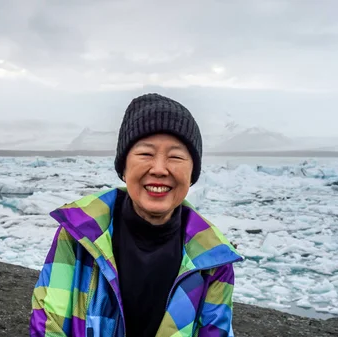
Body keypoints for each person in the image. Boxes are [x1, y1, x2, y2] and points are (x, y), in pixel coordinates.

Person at [30, 93, 243, 337]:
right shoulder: (78, 235)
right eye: (145, 154)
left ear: (192, 172)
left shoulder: (213, 259)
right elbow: (49, 326)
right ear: (124, 167)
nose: (160, 169)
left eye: (175, 156)